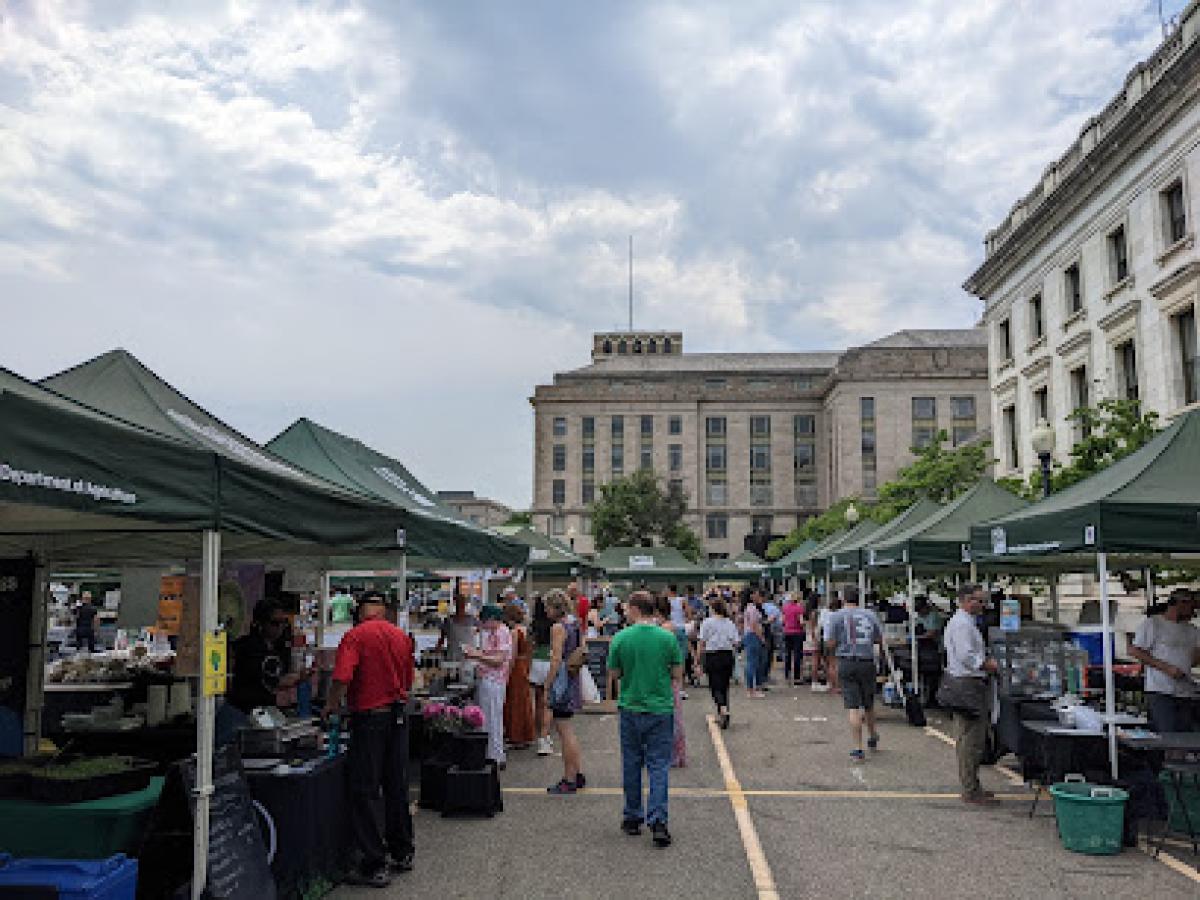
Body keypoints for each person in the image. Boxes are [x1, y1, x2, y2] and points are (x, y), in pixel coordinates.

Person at [323, 597, 416, 886]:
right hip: (398, 715)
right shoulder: (400, 636)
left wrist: (330, 704)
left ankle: (374, 862)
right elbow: (409, 678)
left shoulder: (355, 636)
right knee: (395, 784)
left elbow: (342, 676)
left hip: (370, 717)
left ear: (360, 612)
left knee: (364, 789)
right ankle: (402, 850)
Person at [608, 591, 683, 847]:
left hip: (631, 705)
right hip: (660, 707)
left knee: (632, 762)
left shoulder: (621, 637)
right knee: (658, 765)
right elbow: (676, 672)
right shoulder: (667, 637)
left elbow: (614, 672)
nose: (625, 612)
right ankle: (658, 820)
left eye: (628, 608)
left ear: (636, 609)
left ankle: (632, 816)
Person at [941, 584, 999, 804]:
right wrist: (987, 664)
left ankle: (972, 784)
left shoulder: (963, 623)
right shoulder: (962, 625)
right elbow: (967, 656)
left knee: (968, 736)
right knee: (971, 738)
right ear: (966, 600)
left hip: (964, 682)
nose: (983, 605)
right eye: (979, 600)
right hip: (968, 683)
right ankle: (970, 788)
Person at [824, 587, 883, 762]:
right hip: (867, 661)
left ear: (843, 599)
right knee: (869, 703)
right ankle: (872, 735)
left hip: (847, 661)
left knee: (853, 707)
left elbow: (830, 642)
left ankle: (858, 748)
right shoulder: (871, 615)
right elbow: (878, 639)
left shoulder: (836, 616)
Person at [1129, 588, 1199, 732]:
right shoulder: (1153, 624)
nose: (1194, 612)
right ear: (1179, 604)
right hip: (1160, 690)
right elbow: (1134, 650)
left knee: (1184, 733)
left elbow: (1194, 660)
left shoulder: (1193, 630)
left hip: (1185, 690)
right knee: (1167, 732)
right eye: (1192, 607)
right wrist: (1166, 667)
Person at [544, 590, 586, 794]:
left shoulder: (558, 627)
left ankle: (568, 778)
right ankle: (577, 773)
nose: (545, 611)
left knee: (564, 730)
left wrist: (547, 685)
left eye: (547, 607)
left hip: (562, 681)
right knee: (568, 729)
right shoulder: (575, 623)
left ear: (554, 607)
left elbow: (555, 659)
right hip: (573, 678)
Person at [464, 605, 513, 768]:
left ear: (492, 619)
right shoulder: (494, 632)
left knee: (492, 719)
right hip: (490, 679)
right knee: (489, 718)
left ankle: (495, 756)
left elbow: (498, 660)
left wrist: (475, 655)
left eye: (484, 621)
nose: (482, 624)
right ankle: (491, 754)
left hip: (494, 680)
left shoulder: (501, 632)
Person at [696, 597, 739, 729]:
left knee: (715, 685)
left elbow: (701, 642)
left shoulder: (707, 622)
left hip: (712, 655)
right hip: (727, 655)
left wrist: (697, 660)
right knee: (724, 686)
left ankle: (722, 709)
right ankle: (724, 712)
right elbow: (736, 642)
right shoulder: (729, 623)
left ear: (712, 609)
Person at [655, 595, 687, 768]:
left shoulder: (666, 628)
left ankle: (671, 754)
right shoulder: (667, 627)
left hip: (666, 677)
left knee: (670, 717)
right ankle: (672, 753)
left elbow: (667, 656)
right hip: (668, 676)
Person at [502, 603, 535, 750]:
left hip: (516, 667)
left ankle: (516, 736)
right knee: (524, 700)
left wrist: (506, 672)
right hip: (524, 665)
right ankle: (526, 734)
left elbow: (512, 654)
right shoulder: (526, 630)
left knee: (514, 701)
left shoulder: (515, 632)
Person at [527, 595, 555, 756]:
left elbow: (530, 645)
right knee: (548, 702)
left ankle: (539, 733)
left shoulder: (533, 625)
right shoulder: (554, 624)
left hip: (536, 662)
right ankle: (545, 735)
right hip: (549, 661)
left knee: (537, 700)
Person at [436, 594, 476, 662]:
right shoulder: (448, 620)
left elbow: (479, 630)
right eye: (458, 602)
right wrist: (437, 649)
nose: (460, 605)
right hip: (453, 655)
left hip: (469, 656)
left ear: (465, 604)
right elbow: (442, 638)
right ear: (455, 603)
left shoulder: (472, 619)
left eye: (462, 602)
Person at [741, 591, 766, 697]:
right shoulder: (752, 609)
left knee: (751, 662)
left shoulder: (748, 608)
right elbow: (754, 625)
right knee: (753, 663)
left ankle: (751, 688)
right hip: (753, 636)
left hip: (749, 635)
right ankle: (752, 689)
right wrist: (761, 637)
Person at [782, 593, 807, 685]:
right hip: (797, 633)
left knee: (788, 653)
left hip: (787, 632)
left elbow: (783, 620)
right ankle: (796, 676)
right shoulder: (799, 608)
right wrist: (804, 624)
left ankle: (787, 674)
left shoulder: (785, 607)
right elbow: (801, 621)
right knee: (797, 655)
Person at [761, 591, 782, 684]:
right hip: (771, 633)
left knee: (763, 655)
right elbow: (775, 620)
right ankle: (765, 676)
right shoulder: (774, 608)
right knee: (768, 656)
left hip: (761, 633)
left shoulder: (759, 607)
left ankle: (762, 676)